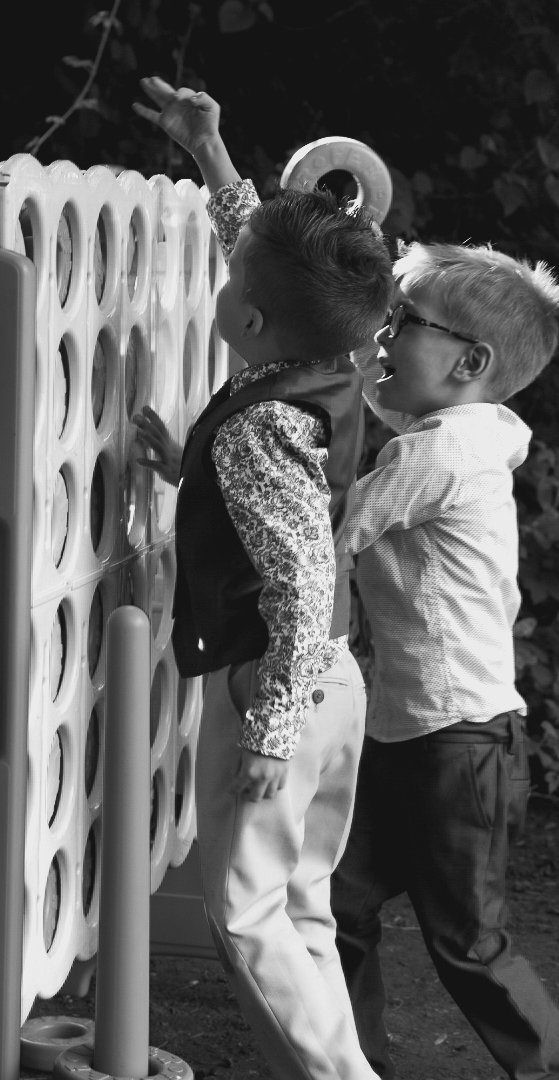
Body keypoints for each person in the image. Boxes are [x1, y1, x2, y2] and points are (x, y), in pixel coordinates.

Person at [132, 76, 394, 1080]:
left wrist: (269, 730)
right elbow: (269, 252)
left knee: (242, 914)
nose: (228, 263)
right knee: (300, 905)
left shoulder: (256, 430)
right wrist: (210, 151)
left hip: (276, 683)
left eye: (230, 272)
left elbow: (301, 575)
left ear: (244, 320)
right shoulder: (331, 356)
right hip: (335, 680)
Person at [329, 242, 559, 1080]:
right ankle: (352, 1064)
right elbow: (381, 413)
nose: (382, 335)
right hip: (418, 733)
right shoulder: (458, 433)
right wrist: (358, 374)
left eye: (403, 322)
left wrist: (201, 473)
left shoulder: (439, 454)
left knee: (468, 941)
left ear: (469, 362)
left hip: (456, 748)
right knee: (337, 900)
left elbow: (323, 527)